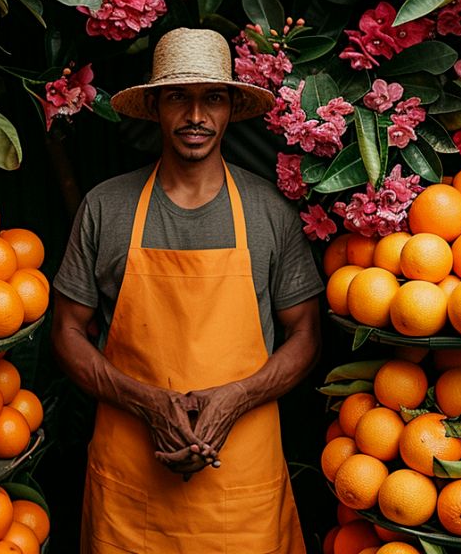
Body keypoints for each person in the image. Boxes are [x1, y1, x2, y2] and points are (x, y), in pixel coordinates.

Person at [52, 27, 323, 553]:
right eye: (179, 97)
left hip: (240, 486)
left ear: (229, 110)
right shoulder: (107, 207)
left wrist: (238, 396)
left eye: (212, 99)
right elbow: (66, 329)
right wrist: (145, 401)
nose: (196, 116)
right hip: (132, 488)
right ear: (155, 106)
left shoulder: (268, 210)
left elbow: (306, 333)